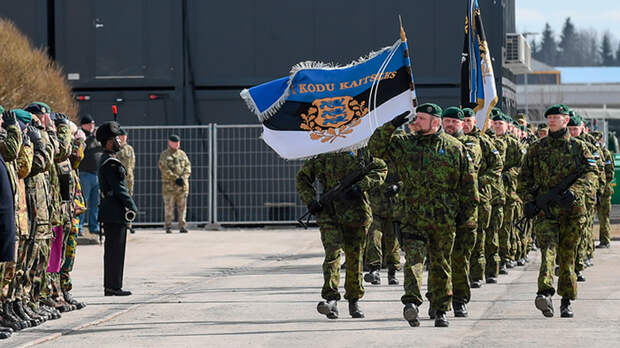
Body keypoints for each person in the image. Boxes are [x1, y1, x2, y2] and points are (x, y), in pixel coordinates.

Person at [368, 104, 479, 328]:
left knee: (440, 265)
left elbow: (469, 185)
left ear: (435, 122)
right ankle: (412, 303)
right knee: (414, 261)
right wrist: (392, 124)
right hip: (412, 216)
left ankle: (440, 310)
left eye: (421, 118)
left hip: (443, 218)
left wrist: (466, 216)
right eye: (415, 117)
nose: (415, 121)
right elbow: (376, 148)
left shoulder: (454, 147)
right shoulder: (405, 144)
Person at [518, 104, 597, 318]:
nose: (552, 120)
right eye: (549, 117)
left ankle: (566, 300)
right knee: (547, 252)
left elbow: (592, 174)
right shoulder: (536, 148)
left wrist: (575, 191)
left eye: (556, 117)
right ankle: (544, 292)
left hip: (572, 211)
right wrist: (529, 201)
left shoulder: (579, 148)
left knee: (567, 257)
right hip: (546, 212)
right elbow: (524, 178)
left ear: (566, 120)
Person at [297, 148, 387, 320]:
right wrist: (310, 201)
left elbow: (381, 168)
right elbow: (302, 178)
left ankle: (354, 299)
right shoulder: (321, 152)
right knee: (332, 256)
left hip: (357, 214)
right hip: (329, 214)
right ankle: (331, 299)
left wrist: (360, 186)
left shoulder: (360, 149)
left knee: (355, 257)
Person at [97, 122, 137, 296]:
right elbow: (120, 189)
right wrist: (132, 206)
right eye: (115, 139)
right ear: (108, 142)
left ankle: (112, 285)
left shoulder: (107, 159)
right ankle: (113, 286)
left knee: (113, 250)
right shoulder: (111, 163)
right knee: (115, 251)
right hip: (114, 211)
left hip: (110, 211)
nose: (119, 142)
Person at [159, 135, 191, 233]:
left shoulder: (182, 154)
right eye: (175, 143)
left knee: (182, 207)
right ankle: (168, 226)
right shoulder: (165, 155)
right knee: (169, 207)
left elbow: (188, 167)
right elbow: (164, 169)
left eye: (178, 143)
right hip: (170, 187)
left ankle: (182, 226)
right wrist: (175, 178)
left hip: (182, 186)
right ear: (170, 143)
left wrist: (183, 178)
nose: (177, 144)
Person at [77, 114, 102, 236]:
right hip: (85, 174)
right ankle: (80, 226)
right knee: (83, 202)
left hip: (96, 174)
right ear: (83, 125)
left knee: (95, 203)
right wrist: (93, 137)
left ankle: (94, 226)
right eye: (89, 124)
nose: (92, 126)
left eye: (93, 124)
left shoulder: (95, 138)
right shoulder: (81, 135)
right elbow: (84, 147)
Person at [117, 129, 135, 196]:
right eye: (121, 136)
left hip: (128, 177)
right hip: (118, 177)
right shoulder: (115, 148)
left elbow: (132, 163)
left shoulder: (129, 149)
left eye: (125, 136)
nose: (123, 138)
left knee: (129, 196)